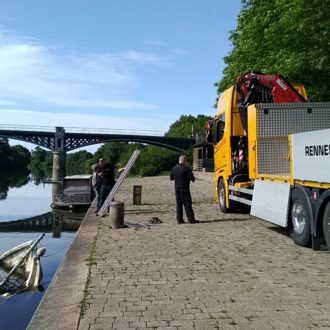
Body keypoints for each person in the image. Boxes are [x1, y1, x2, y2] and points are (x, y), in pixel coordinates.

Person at [170, 155, 198, 224]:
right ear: (185, 160)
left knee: (179, 205)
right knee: (187, 204)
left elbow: (171, 178)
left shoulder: (173, 168)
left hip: (177, 189)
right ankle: (191, 219)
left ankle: (179, 220)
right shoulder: (187, 168)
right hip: (185, 189)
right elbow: (193, 179)